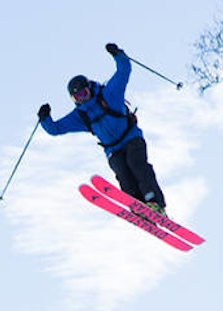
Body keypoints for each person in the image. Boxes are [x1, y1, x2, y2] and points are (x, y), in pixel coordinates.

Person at [37, 43, 167, 212]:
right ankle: (138, 206)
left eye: (83, 93)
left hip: (131, 138)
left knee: (136, 164)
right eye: (77, 97)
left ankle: (154, 201)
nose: (82, 99)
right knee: (122, 172)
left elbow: (123, 71)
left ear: (89, 88)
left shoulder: (109, 94)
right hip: (112, 148)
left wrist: (118, 55)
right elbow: (56, 129)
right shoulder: (80, 116)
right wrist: (44, 118)